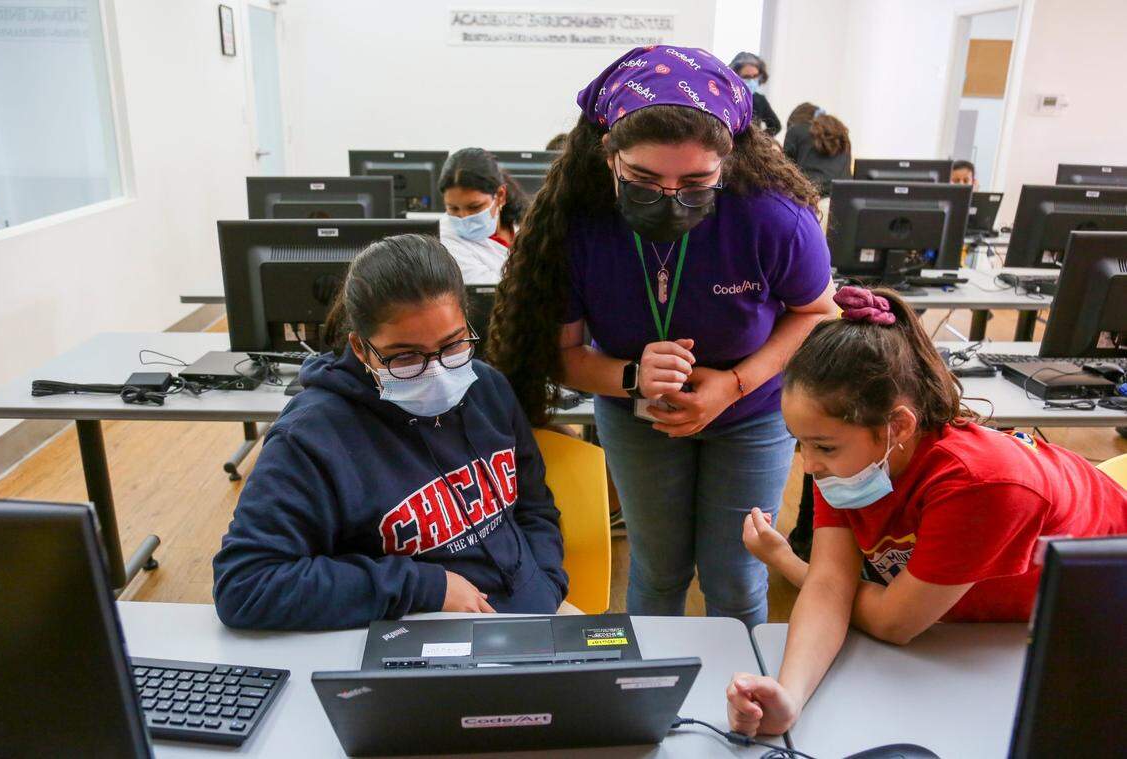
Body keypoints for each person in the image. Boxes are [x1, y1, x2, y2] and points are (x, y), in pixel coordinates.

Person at [489, 45, 836, 628]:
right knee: (658, 568)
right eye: (644, 180)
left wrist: (733, 384)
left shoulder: (772, 216)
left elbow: (818, 314)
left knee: (736, 570)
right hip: (637, 413)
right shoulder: (576, 225)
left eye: (697, 181)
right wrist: (631, 378)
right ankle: (648, 700)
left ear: (727, 162)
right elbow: (563, 355)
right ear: (609, 158)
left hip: (751, 412)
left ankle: (742, 700)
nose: (671, 198)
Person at [725, 287, 1127, 736]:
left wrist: (786, 562)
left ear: (897, 426)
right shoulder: (845, 460)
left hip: (1101, 612)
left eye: (822, 446)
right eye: (801, 441)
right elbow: (830, 584)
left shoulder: (979, 484)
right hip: (992, 625)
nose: (809, 462)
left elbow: (895, 622)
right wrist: (789, 697)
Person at [213, 235, 568, 630]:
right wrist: (423, 587)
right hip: (418, 630)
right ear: (362, 350)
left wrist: (547, 586)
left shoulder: (487, 387)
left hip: (533, 613)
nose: (436, 371)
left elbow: (534, 506)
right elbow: (246, 584)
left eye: (452, 345)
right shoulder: (312, 436)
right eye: (404, 357)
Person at [439, 148, 526, 284]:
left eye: (475, 207)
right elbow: (488, 288)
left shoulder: (523, 222)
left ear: (500, 196)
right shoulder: (444, 238)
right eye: (453, 208)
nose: (464, 217)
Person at [782, 109, 852, 197]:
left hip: (810, 199)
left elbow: (785, 172)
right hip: (843, 198)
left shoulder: (795, 131)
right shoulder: (843, 135)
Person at [729, 51, 781, 137]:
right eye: (747, 77)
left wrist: (759, 140)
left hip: (752, 148)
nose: (752, 81)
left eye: (755, 76)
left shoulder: (760, 100)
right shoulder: (728, 98)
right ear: (735, 76)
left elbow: (776, 125)